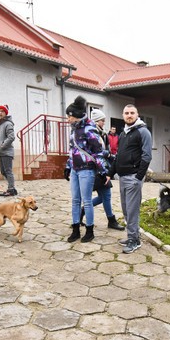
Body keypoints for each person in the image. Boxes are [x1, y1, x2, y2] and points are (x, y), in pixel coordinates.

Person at [63, 95, 107, 243]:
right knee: (75, 200)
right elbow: (72, 150)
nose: (68, 119)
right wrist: (68, 166)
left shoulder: (90, 128)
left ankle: (89, 230)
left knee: (86, 201)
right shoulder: (73, 130)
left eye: (70, 116)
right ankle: (75, 229)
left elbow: (98, 152)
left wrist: (102, 171)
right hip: (75, 169)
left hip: (87, 169)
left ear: (77, 116)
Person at [109, 104, 152, 254]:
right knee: (126, 210)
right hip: (122, 177)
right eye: (126, 113)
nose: (129, 115)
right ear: (123, 115)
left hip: (133, 177)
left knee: (132, 211)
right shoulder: (123, 134)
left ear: (137, 114)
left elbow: (147, 156)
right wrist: (110, 172)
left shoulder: (143, 132)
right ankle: (132, 236)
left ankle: (134, 240)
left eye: (132, 113)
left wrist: (138, 177)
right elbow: (118, 156)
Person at [87, 109, 124, 231]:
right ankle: (111, 221)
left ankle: (84, 209)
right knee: (106, 195)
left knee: (103, 197)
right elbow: (94, 151)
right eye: (102, 120)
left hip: (101, 167)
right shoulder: (93, 133)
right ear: (97, 120)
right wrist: (107, 153)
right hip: (97, 169)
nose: (104, 123)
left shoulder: (101, 133)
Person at [0, 104, 17, 197]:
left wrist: (3, 145)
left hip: (7, 151)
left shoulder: (8, 123)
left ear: (6, 113)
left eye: (2, 111)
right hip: (2, 152)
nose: (0, 113)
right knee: (3, 171)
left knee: (8, 171)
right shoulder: (2, 123)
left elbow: (11, 137)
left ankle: (11, 189)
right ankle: (12, 187)